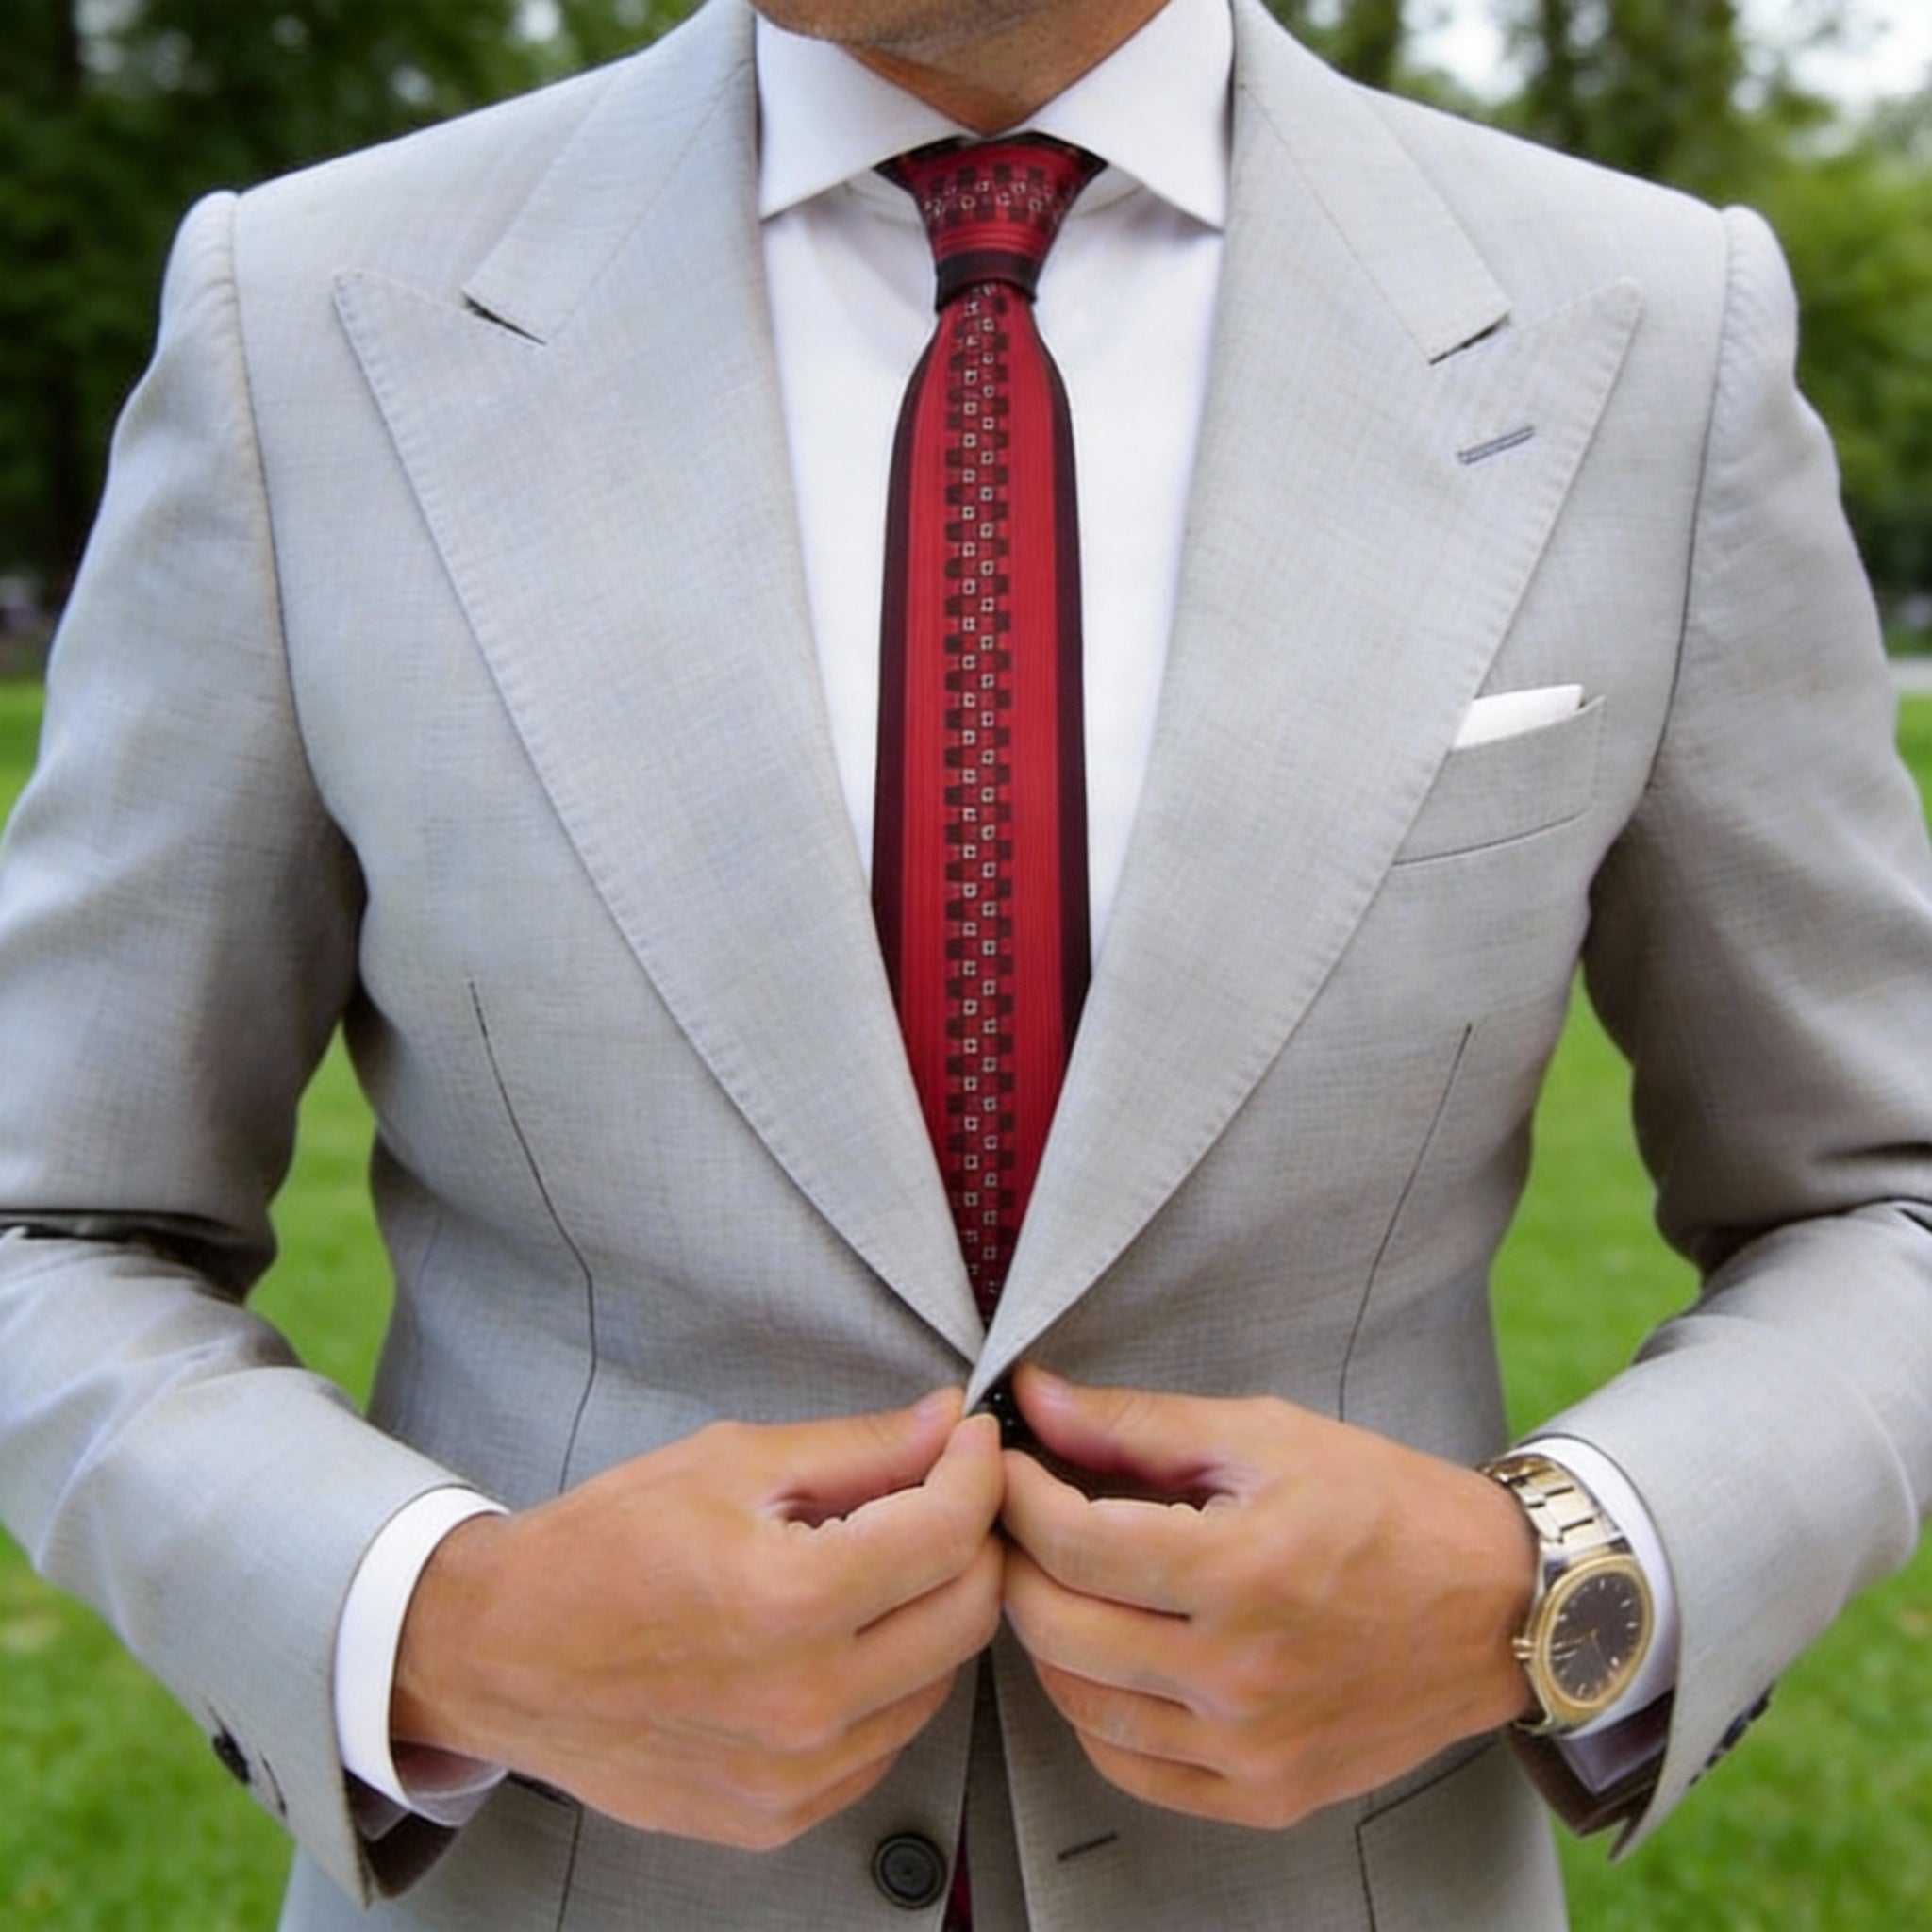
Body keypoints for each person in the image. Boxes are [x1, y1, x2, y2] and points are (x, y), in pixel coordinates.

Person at [1, 0, 1928, 1925]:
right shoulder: (310, 316)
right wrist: (446, 1622)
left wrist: (1549, 1581)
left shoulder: (1648, 335)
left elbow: (1880, 1200)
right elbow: (53, 1220)